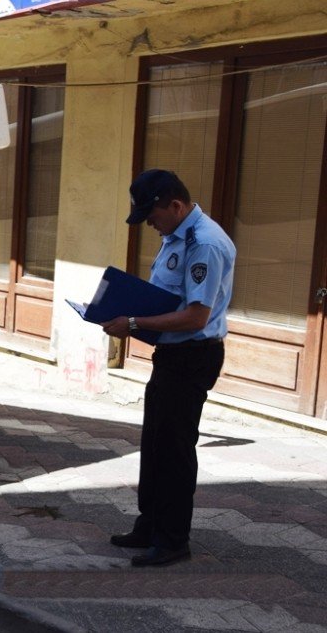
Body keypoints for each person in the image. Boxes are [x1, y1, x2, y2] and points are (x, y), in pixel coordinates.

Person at [101, 169, 236, 567]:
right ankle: (151, 525)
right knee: (155, 443)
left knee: (176, 449)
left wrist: (134, 323)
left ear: (175, 205)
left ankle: (173, 539)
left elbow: (195, 316)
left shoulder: (204, 244)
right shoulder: (177, 235)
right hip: (172, 355)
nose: (150, 225)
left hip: (193, 355)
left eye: (153, 216)